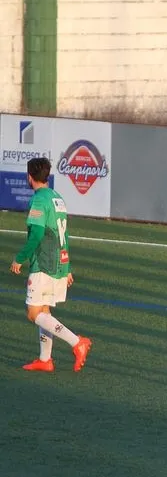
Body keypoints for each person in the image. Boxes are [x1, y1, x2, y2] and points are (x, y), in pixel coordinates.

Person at [9, 157, 92, 372]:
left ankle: (77, 342)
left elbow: (36, 234)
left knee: (34, 313)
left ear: (29, 177)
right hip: (58, 263)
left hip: (44, 264)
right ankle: (45, 360)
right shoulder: (58, 198)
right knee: (44, 310)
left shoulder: (39, 200)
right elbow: (63, 234)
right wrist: (67, 266)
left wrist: (20, 258)